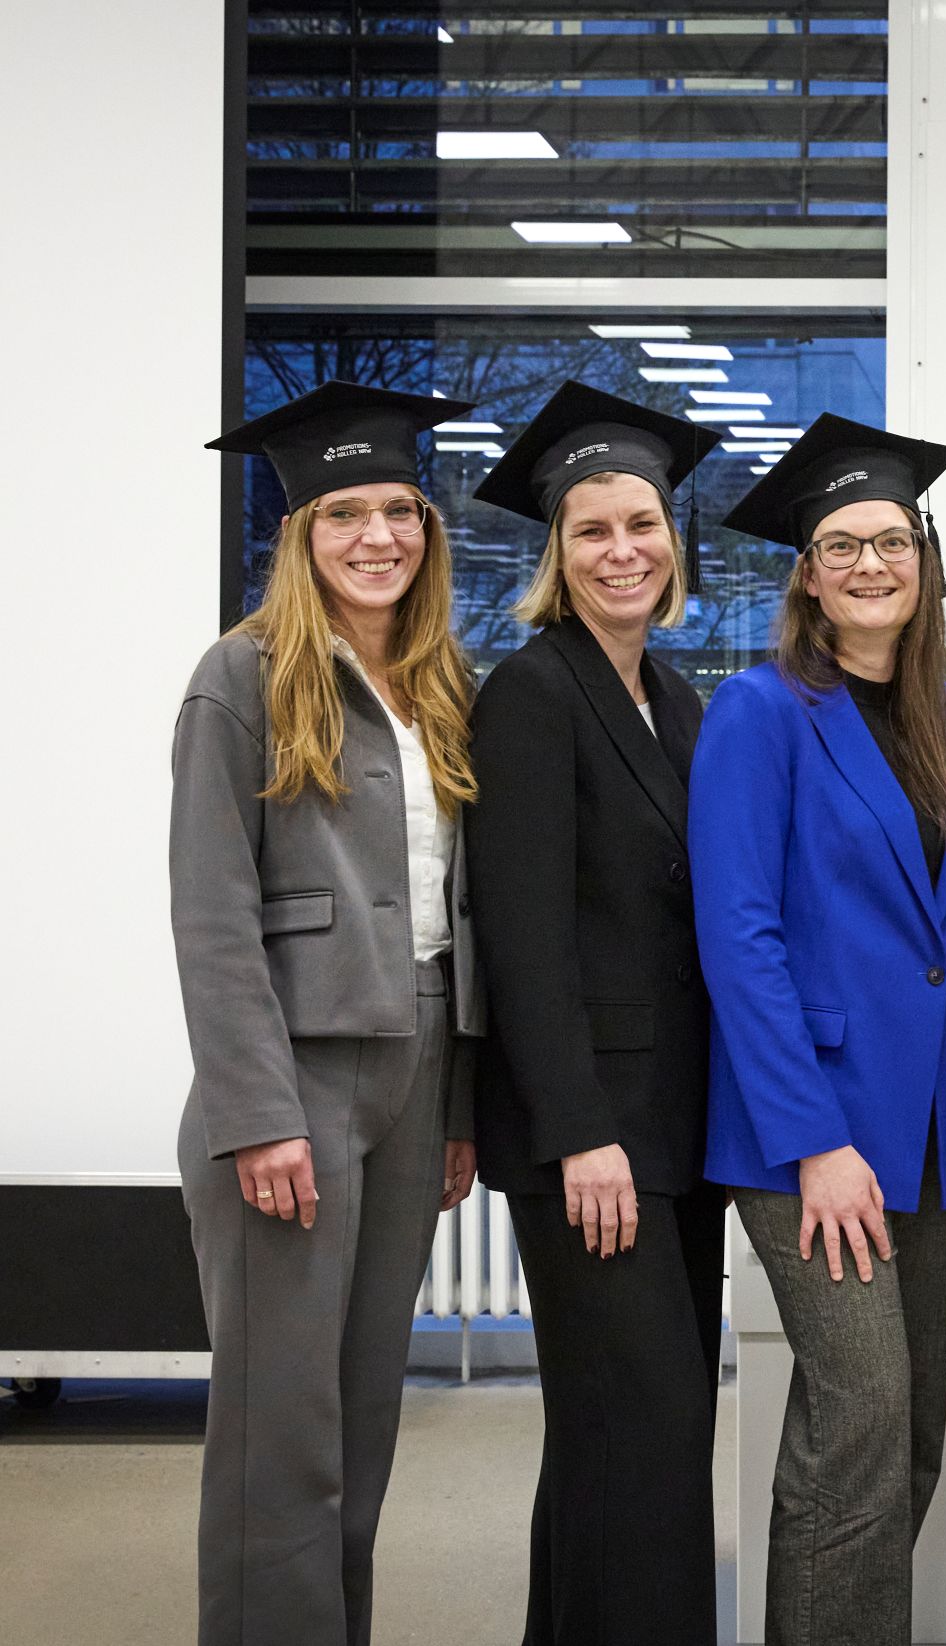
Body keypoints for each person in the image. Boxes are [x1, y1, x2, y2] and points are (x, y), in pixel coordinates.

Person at [179, 381, 485, 1646]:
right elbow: (212, 914)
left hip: (415, 1076)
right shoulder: (243, 675)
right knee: (279, 1437)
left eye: (398, 509)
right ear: (301, 534)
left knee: (360, 1424)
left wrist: (460, 1107)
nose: (378, 536)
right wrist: (255, 1115)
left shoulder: (441, 682)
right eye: (344, 512)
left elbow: (458, 914)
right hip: (293, 1081)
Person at [691, 413, 946, 1646]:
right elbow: (739, 938)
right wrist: (814, 1139)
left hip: (926, 1134)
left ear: (921, 563)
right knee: (858, 1414)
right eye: (840, 545)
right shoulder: (758, 713)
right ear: (807, 574)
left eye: (891, 541)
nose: (870, 563)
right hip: (810, 1130)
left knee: (905, 1430)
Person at [464, 380, 726, 1645]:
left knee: (608, 1437)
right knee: (653, 1425)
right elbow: (519, 936)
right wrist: (577, 1130)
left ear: (675, 539)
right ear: (554, 556)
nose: (622, 548)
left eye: (642, 523)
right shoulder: (531, 692)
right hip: (593, 1136)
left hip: (674, 1132)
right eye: (591, 530)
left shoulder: (672, 699)